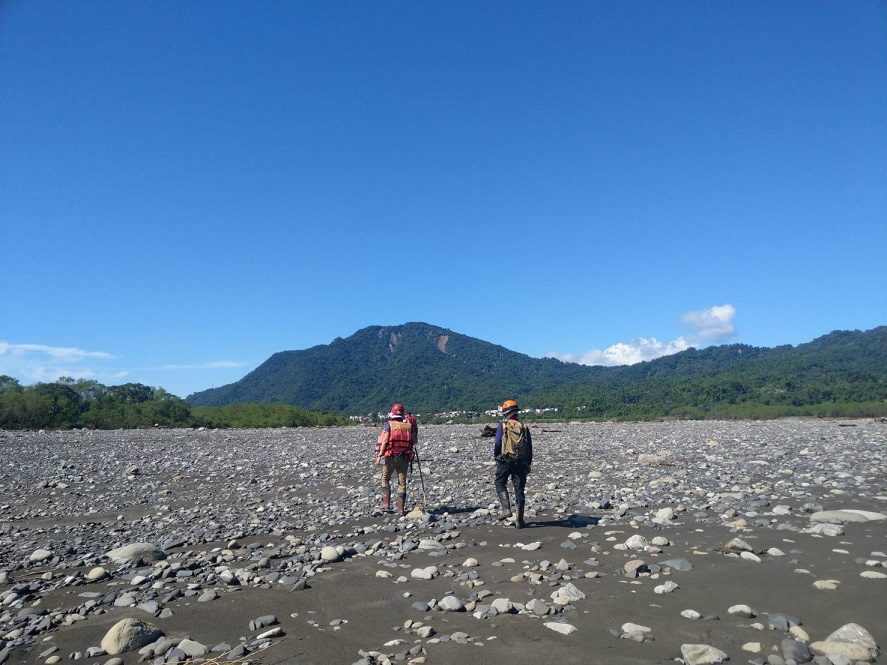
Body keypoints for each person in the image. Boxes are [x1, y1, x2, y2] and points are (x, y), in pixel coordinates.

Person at [493, 398, 532, 528]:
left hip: (505, 460)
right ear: (516, 412)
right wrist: (528, 464)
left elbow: (498, 443)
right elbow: (529, 448)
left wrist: (496, 456)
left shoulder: (503, 424)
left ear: (505, 412)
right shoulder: (524, 427)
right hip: (521, 462)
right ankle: (519, 520)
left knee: (499, 482)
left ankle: (506, 509)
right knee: (519, 489)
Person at [374, 403, 416, 516]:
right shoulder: (408, 426)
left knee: (385, 479)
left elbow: (385, 441)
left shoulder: (389, 424)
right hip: (404, 458)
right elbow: (415, 441)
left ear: (392, 413)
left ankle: (386, 504)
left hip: (391, 457)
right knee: (402, 483)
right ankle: (401, 510)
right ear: (403, 414)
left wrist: (379, 456)